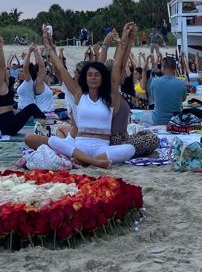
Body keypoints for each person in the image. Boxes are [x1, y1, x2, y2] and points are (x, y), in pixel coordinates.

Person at [24, 23, 136, 168]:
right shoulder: (79, 95)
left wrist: (125, 41)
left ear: (103, 78)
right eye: (90, 75)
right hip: (79, 145)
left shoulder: (110, 97)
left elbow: (117, 67)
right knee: (29, 138)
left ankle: (82, 159)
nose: (93, 78)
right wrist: (48, 47)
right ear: (85, 78)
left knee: (130, 149)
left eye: (97, 75)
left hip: (101, 147)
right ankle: (94, 161)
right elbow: (59, 68)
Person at [138, 56, 186, 126]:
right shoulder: (182, 83)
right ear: (175, 68)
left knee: (143, 117)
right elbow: (183, 99)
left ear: (163, 68)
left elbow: (154, 98)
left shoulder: (154, 81)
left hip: (158, 120)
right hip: (176, 120)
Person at [17, 44, 55, 115]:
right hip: (44, 114)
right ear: (38, 73)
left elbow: (39, 66)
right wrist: (34, 52)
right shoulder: (37, 82)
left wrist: (36, 52)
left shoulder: (39, 82)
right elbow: (41, 66)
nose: (45, 71)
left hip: (46, 113)